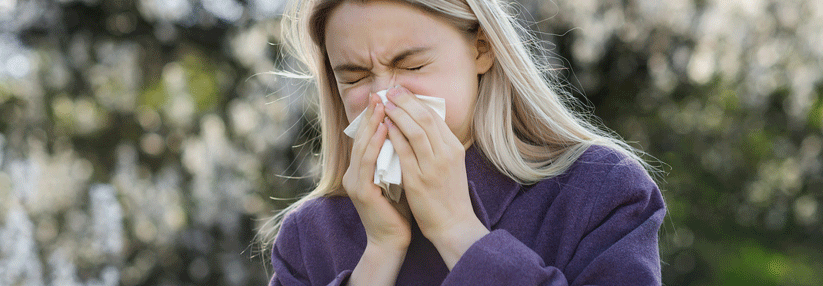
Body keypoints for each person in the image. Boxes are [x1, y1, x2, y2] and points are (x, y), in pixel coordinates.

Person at [261, 0, 666, 285]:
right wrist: (379, 254)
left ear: (482, 48)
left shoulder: (601, 192)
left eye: (412, 64)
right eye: (354, 77)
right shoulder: (311, 234)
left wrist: (456, 229)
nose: (383, 99)